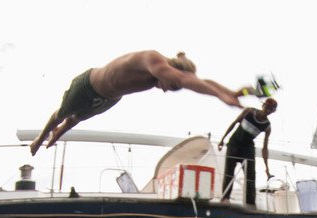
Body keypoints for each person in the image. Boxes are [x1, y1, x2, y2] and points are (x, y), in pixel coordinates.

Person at [30, 51, 242, 155]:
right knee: (62, 114)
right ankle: (40, 138)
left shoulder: (162, 75)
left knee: (76, 119)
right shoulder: (154, 61)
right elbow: (185, 79)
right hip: (88, 85)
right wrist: (221, 97)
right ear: (171, 71)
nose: (166, 90)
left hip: (109, 98)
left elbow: (198, 81)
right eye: (170, 85)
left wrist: (229, 92)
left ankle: (57, 133)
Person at [217, 98, 277, 205]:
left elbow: (264, 148)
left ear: (273, 112)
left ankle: (250, 203)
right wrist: (222, 139)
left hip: (248, 147)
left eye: (271, 109)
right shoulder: (249, 111)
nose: (267, 110)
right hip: (234, 143)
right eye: (267, 107)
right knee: (229, 172)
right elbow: (234, 123)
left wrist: (266, 167)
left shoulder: (267, 126)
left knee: (250, 176)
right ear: (263, 106)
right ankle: (225, 198)